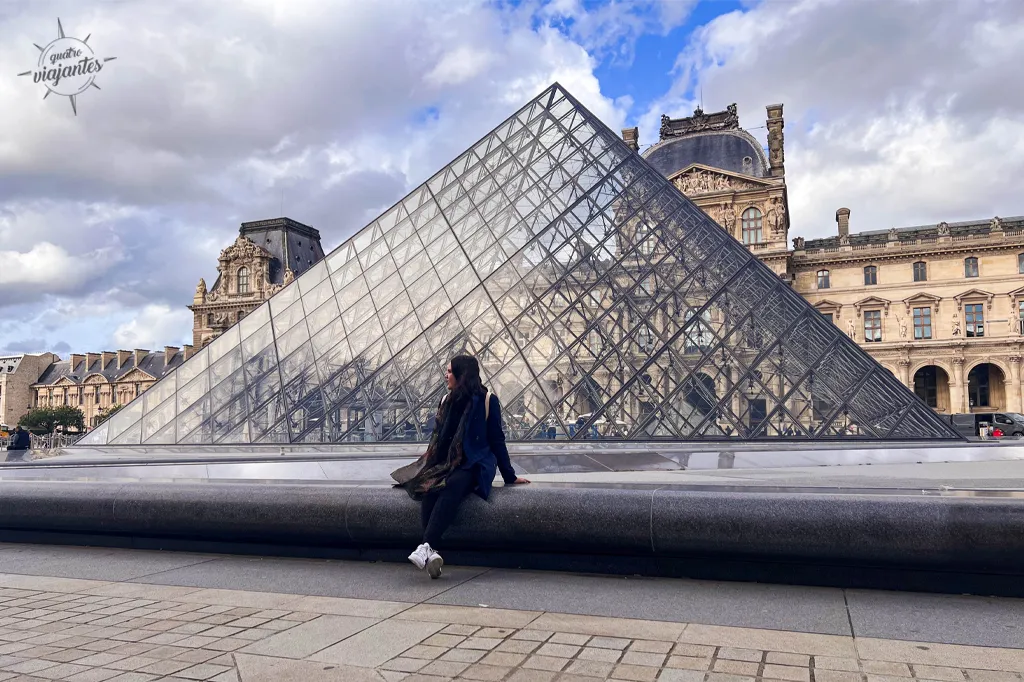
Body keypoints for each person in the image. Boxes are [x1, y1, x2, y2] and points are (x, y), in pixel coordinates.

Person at [398, 355, 529, 579]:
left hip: (475, 464)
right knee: (430, 490)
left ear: (462, 375)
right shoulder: (445, 401)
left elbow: (497, 439)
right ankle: (430, 553)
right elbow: (439, 439)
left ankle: (426, 546)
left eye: (449, 371)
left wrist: (509, 475)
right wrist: (427, 468)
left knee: (452, 485)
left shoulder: (488, 400)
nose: (446, 375)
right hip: (448, 463)